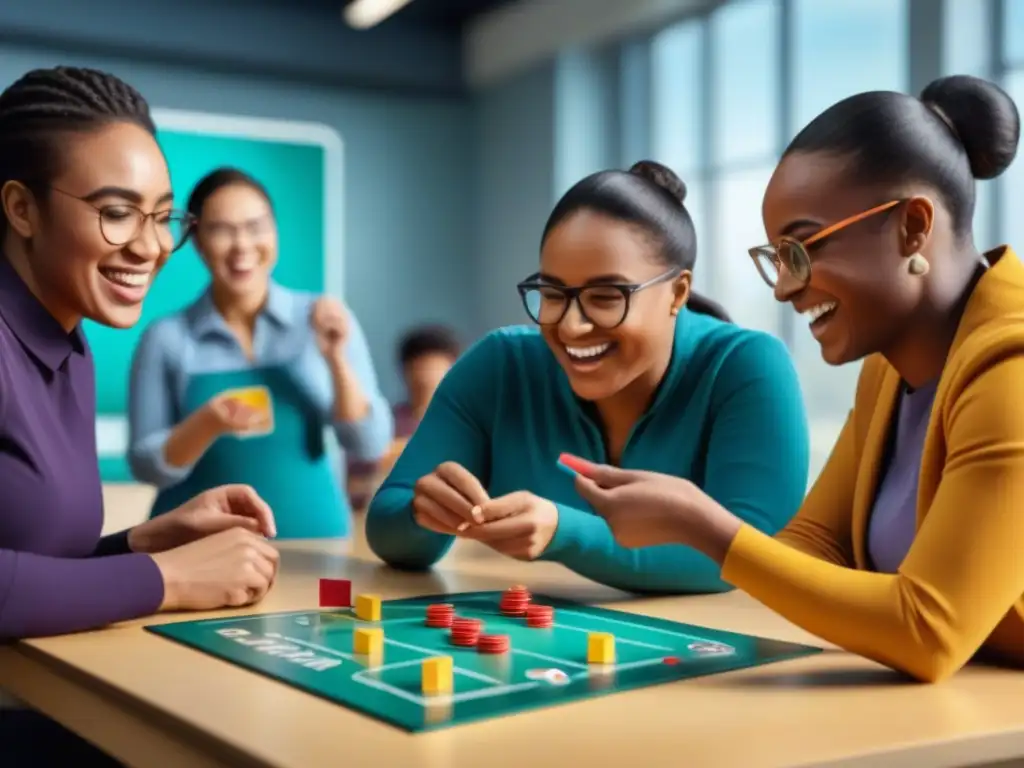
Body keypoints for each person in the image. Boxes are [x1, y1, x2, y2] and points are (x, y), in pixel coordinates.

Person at [569, 75, 1024, 681]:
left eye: (803, 251)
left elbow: (929, 630)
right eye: (777, 260)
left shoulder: (1011, 372)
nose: (785, 287)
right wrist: (692, 521)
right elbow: (815, 543)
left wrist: (705, 527)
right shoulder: (887, 371)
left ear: (913, 226)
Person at [0, 66, 280, 764]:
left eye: (162, 217)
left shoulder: (72, 342)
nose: (153, 247)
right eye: (117, 212)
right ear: (21, 208)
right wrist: (171, 580)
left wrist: (140, 545)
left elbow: (34, 567)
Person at [365, 160, 810, 593]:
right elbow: (388, 524)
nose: (572, 326)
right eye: (553, 293)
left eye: (606, 295)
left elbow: (757, 556)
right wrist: (425, 516)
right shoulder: (499, 365)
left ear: (677, 292)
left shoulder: (748, 366)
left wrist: (566, 532)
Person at [127, 168, 393, 539]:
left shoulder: (325, 319)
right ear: (198, 241)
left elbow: (369, 444)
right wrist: (207, 423)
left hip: (319, 546)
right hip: (197, 554)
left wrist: (335, 358)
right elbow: (146, 467)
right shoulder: (167, 338)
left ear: (275, 234)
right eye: (221, 230)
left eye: (256, 226)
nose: (242, 245)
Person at [347, 324, 461, 509]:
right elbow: (350, 486)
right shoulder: (383, 426)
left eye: (435, 370)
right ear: (404, 370)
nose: (426, 378)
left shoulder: (466, 426)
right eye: (420, 370)